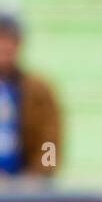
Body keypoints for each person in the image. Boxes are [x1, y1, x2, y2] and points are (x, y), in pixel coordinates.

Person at [0, 14, 60, 177]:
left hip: (26, 191)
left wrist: (41, 173)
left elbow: (51, 141)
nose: (5, 47)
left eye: (10, 40)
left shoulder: (39, 90)